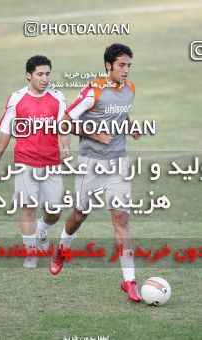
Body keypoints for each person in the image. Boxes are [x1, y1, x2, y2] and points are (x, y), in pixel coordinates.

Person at [49, 44, 141, 302]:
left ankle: (129, 280)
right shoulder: (93, 91)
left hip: (118, 164)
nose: (126, 70)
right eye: (121, 65)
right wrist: (95, 134)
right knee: (79, 215)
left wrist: (131, 128)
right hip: (91, 163)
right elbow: (65, 122)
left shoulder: (130, 89)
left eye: (129, 65)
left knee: (121, 221)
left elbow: (122, 115)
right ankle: (61, 250)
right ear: (108, 66)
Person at [0, 55, 70, 269]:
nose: (45, 79)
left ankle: (42, 229)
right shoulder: (16, 99)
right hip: (25, 161)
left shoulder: (58, 98)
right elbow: (6, 130)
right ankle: (31, 254)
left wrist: (65, 146)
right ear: (29, 75)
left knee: (55, 211)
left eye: (47, 74)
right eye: (40, 74)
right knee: (28, 208)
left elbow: (63, 127)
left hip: (51, 163)